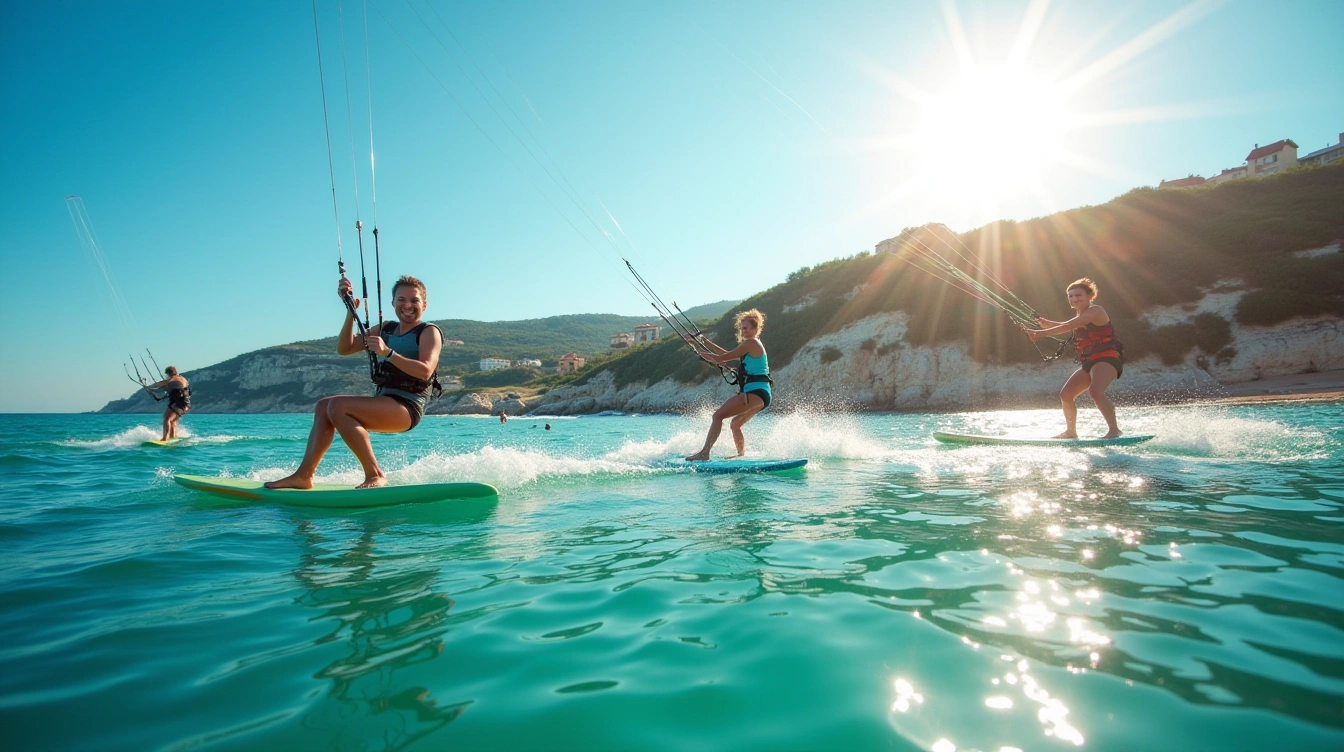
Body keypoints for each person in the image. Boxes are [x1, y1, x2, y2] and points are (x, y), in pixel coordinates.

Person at [267, 275, 443, 489]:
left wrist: (387, 352)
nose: (407, 305)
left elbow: (425, 371)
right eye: (401, 299)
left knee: (338, 406)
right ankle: (304, 476)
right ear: (393, 303)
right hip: (385, 402)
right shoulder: (385, 329)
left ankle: (375, 475)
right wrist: (351, 313)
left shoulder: (428, 332)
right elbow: (345, 348)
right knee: (324, 406)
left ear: (424, 304)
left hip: (408, 407)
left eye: (414, 300)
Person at [1020, 277, 1124, 439]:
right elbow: (1068, 324)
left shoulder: (1096, 310)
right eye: (1071, 296)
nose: (1074, 299)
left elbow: (1069, 325)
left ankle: (1114, 430)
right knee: (1066, 395)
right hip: (1089, 362)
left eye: (1078, 295)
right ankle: (1071, 432)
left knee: (1095, 391)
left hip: (1107, 358)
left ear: (1090, 296)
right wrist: (1047, 324)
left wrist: (1040, 333)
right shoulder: (1079, 315)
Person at [684, 309, 772, 461]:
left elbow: (722, 358)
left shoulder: (751, 343)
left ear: (756, 329)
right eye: (741, 328)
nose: (743, 331)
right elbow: (726, 354)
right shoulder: (751, 346)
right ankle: (740, 456)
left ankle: (704, 453)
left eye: (746, 328)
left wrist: (701, 351)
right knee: (735, 423)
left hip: (756, 392)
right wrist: (704, 342)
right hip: (761, 394)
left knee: (717, 416)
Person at [144, 366, 190, 441]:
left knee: (167, 419)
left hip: (179, 403)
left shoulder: (172, 379)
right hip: (186, 404)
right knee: (173, 420)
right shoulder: (182, 379)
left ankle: (165, 438)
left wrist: (148, 387)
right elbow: (175, 388)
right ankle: (173, 436)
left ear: (169, 374)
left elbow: (160, 383)